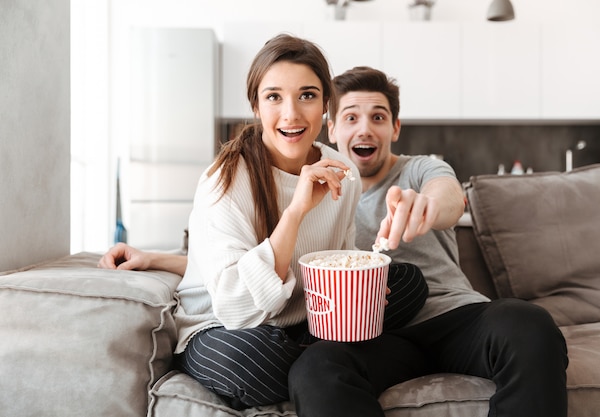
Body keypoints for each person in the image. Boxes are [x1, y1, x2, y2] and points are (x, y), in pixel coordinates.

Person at [100, 63, 569, 416]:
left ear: (395, 128)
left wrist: (428, 206)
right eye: (351, 117)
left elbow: (450, 197)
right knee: (316, 369)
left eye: (378, 117)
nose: (365, 128)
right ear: (330, 125)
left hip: (450, 316)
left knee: (525, 323)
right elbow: (244, 266)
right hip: (370, 331)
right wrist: (158, 258)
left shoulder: (419, 169)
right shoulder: (323, 187)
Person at [102, 35, 427, 414]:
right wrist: (296, 211)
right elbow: (235, 308)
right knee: (253, 361)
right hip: (222, 326)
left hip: (305, 319)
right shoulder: (225, 179)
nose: (291, 114)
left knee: (406, 283)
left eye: (307, 95)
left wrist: (359, 289)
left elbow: (337, 258)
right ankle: (340, 360)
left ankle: (325, 359)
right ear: (256, 105)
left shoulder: (344, 172)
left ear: (326, 105)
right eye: (274, 97)